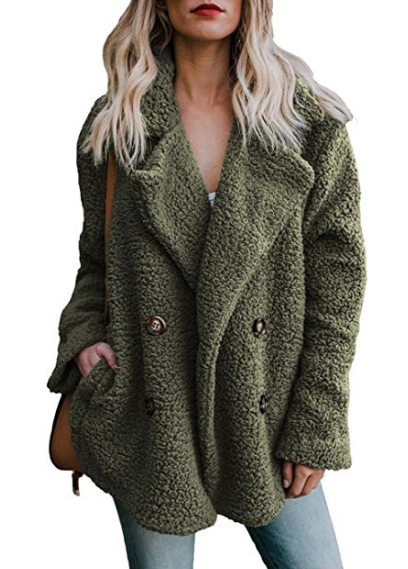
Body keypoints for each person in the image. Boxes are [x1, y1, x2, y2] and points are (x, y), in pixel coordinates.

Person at [46, 0, 367, 567]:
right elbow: (95, 263)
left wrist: (316, 422)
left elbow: (338, 289)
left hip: (267, 414)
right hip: (152, 413)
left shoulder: (306, 124)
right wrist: (84, 340)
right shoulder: (118, 123)